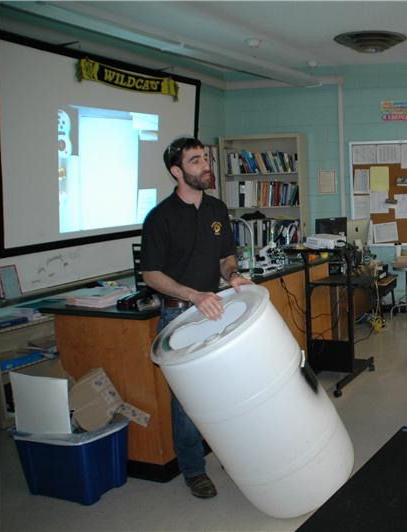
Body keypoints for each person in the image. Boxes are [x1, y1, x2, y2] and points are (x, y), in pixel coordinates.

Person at [141, 136, 253, 499]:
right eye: (195, 161)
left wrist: (233, 276)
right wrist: (194, 295)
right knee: (187, 402)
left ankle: (232, 452)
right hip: (178, 316)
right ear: (177, 171)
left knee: (226, 389)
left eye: (205, 158)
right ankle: (193, 470)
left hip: (216, 310)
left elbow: (225, 257)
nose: (206, 165)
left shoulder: (217, 209)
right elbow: (151, 275)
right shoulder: (159, 218)